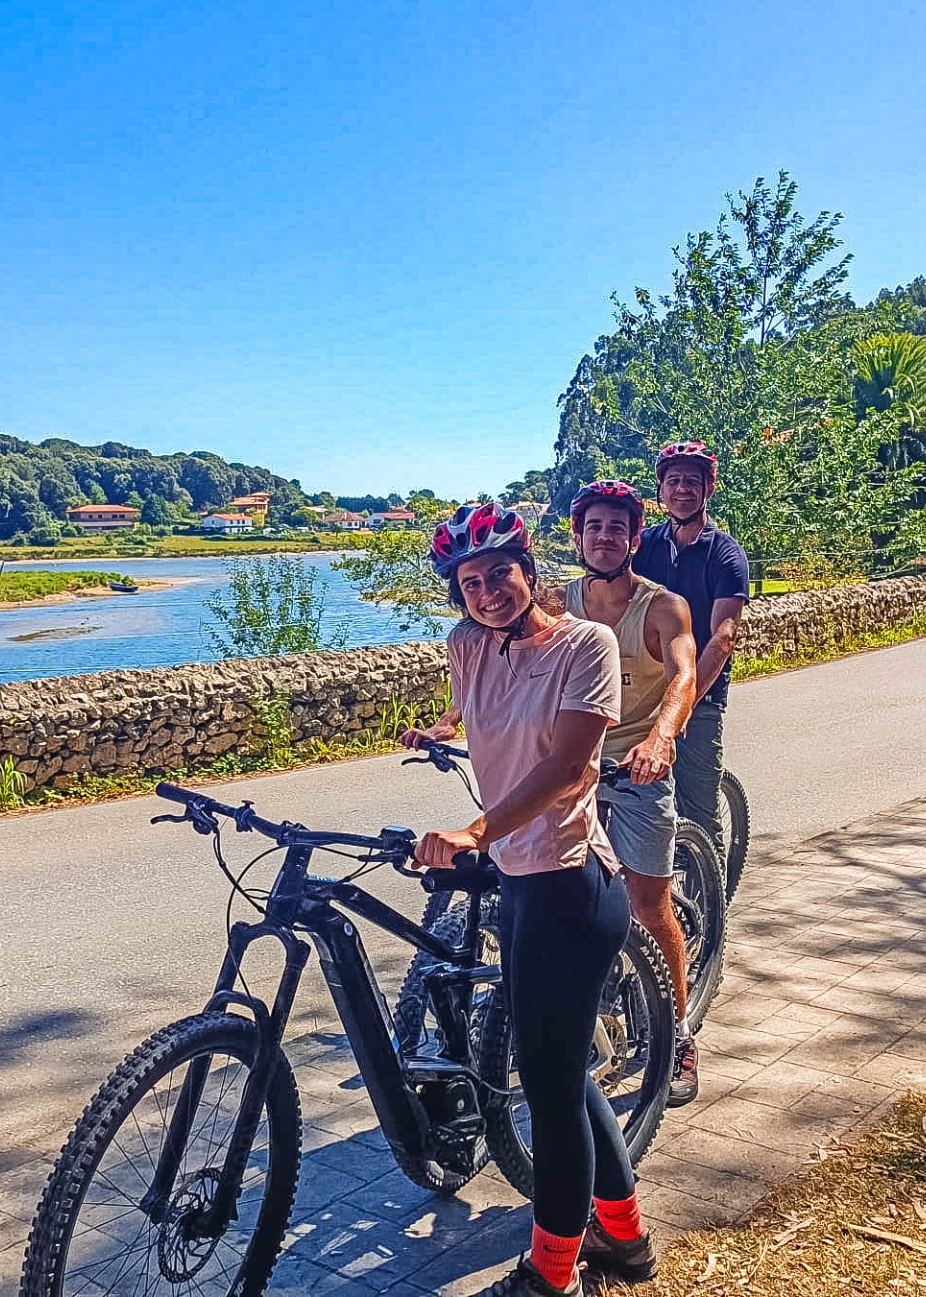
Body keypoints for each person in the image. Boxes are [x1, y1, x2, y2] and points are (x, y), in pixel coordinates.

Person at [403, 501, 659, 1295]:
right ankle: (627, 1241)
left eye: (500, 574)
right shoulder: (466, 646)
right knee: (561, 1074)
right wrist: (442, 737)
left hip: (572, 887)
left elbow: (568, 769)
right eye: (470, 582)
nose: (487, 592)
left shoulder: (587, 645)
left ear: (530, 572)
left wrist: (475, 831)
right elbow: (481, 716)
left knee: (547, 1091)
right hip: (518, 878)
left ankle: (553, 1273)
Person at [562, 479, 703, 1106]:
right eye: (595, 526)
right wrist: (451, 721)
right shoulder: (555, 604)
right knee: (558, 899)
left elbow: (684, 676)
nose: (605, 537)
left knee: (649, 905)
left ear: (634, 538)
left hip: (638, 767)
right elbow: (504, 661)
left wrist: (662, 739)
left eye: (617, 528)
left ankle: (678, 1034)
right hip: (573, 768)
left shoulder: (663, 607)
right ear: (578, 535)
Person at [630, 442, 749, 862]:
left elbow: (724, 636)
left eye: (692, 482)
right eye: (673, 481)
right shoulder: (643, 545)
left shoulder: (725, 553)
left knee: (698, 813)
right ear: (661, 489)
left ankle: (712, 916)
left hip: (699, 694)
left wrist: (682, 704)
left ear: (708, 488)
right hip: (641, 693)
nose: (682, 490)